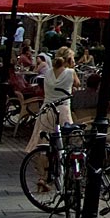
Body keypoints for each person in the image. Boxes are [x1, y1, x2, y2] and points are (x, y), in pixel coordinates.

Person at [25, 46, 80, 189]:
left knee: (43, 145)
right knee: (65, 144)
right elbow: (78, 84)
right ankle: (64, 174)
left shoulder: (48, 72)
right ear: (68, 59)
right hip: (62, 111)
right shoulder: (70, 72)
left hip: (46, 110)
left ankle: (42, 177)